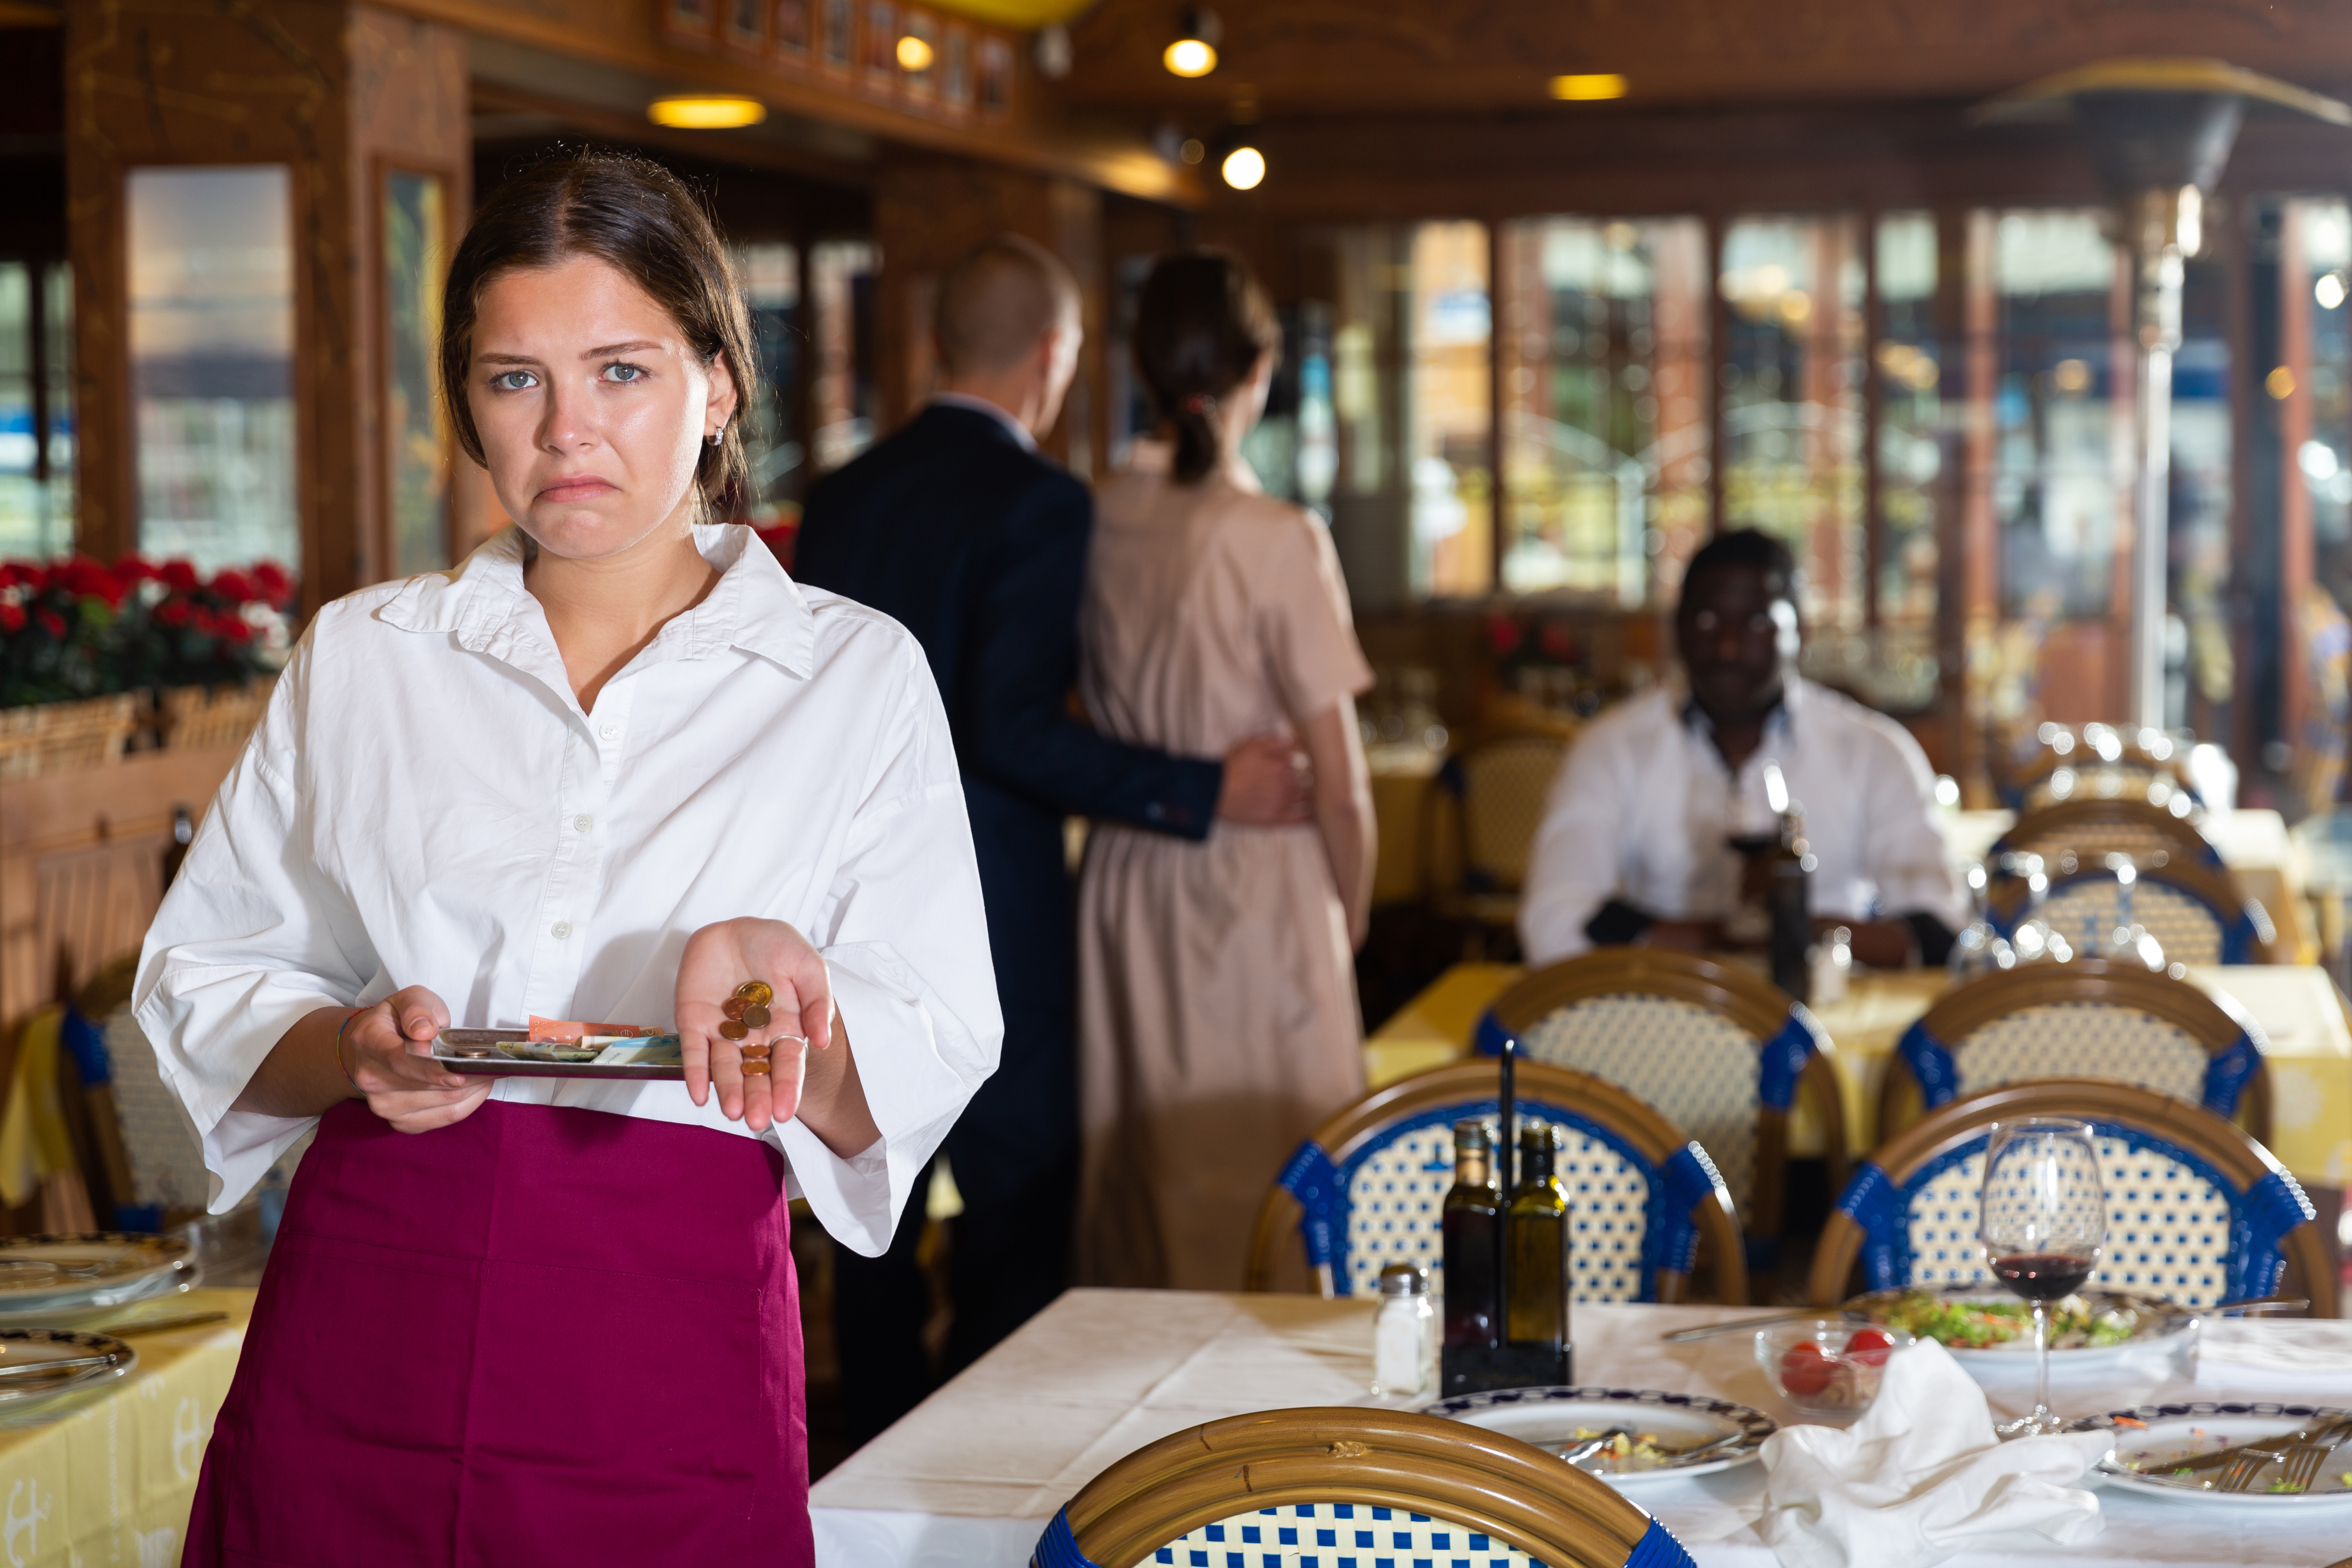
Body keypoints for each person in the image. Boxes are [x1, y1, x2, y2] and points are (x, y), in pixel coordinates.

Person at [134, 149, 998, 1564]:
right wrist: (352, 1048)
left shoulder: (849, 675)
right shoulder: (367, 656)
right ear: (467, 402)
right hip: (365, 1315)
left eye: (620, 371)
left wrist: (780, 1002)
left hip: (667, 1334)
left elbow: (918, 1054)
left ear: (717, 383)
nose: (565, 430)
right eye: (514, 379)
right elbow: (209, 974)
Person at [792, 236, 1309, 1437]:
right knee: (1020, 1194)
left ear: (933, 348)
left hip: (831, 901)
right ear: (1053, 357)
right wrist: (1201, 785)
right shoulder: (1039, 500)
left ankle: (865, 1447)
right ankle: (987, 1447)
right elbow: (1010, 731)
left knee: (873, 1187)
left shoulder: (844, 492)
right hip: (987, 901)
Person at [1074, 250, 1377, 1292]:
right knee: (1280, 1184)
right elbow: (1339, 784)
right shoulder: (1277, 535)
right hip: (1258, 884)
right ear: (1262, 370)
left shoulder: (1096, 511)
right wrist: (1353, 910)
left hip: (1124, 875)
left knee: (1145, 1180)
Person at [1519, 527, 1965, 968]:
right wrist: (1725, 938)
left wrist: (1796, 931)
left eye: (1756, 622)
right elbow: (1554, 924)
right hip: (1662, 1018)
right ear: (1677, 631)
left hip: (1830, 1020)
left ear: (1801, 632)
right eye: (1707, 621)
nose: (1728, 647)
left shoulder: (1873, 750)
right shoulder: (1611, 748)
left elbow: (1942, 928)